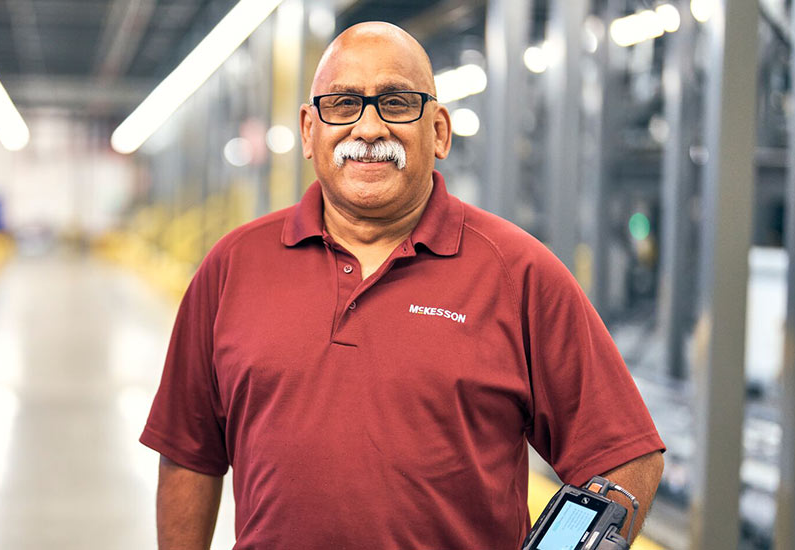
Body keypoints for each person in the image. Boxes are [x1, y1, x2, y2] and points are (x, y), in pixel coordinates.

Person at [140, 21, 665, 549]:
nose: (368, 130)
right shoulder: (234, 266)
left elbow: (625, 454)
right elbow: (188, 453)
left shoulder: (518, 273)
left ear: (438, 130)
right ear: (308, 130)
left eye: (395, 103)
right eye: (343, 104)